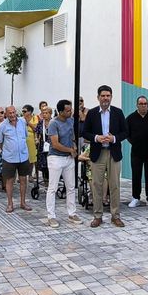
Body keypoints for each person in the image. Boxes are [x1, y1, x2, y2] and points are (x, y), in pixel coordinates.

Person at [82, 86, 128, 228]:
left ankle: (115, 216)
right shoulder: (92, 113)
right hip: (98, 153)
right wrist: (96, 138)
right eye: (103, 95)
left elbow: (125, 132)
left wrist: (114, 138)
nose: (105, 98)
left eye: (108, 95)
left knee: (114, 185)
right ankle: (97, 216)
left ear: (111, 97)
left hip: (114, 153)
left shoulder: (118, 112)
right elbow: (85, 132)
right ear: (98, 97)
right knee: (97, 185)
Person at [44, 100, 81, 228]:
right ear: (60, 112)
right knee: (52, 188)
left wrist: (74, 146)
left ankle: (72, 213)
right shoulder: (54, 123)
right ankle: (51, 216)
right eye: (67, 110)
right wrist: (70, 150)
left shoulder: (71, 121)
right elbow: (55, 144)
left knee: (71, 187)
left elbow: (72, 137)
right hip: (56, 158)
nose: (70, 112)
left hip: (69, 158)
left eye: (70, 110)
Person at [0, 106, 33, 213]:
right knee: (10, 181)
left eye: (13, 112)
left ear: (16, 112)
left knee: (23, 180)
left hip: (23, 156)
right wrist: (7, 151)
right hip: (9, 158)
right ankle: (10, 204)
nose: (12, 115)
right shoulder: (3, 126)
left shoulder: (22, 122)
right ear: (6, 114)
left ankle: (23, 202)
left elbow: (25, 136)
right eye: (9, 113)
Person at [125, 96, 148, 208]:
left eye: (145, 103)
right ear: (137, 105)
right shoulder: (130, 118)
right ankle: (136, 197)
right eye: (141, 103)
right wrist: (134, 142)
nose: (143, 105)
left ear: (147, 105)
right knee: (136, 175)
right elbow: (127, 134)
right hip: (136, 152)